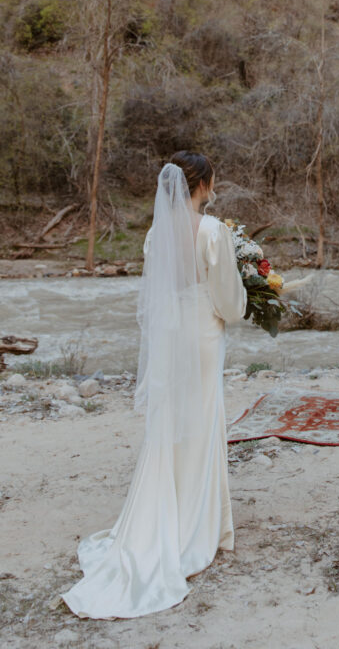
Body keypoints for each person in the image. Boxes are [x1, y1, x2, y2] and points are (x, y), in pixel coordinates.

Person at [63, 152, 247, 618]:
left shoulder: (155, 235)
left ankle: (162, 517)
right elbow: (228, 301)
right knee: (204, 423)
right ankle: (202, 529)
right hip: (203, 335)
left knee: (171, 426)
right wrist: (247, 301)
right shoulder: (213, 231)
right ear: (202, 184)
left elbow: (157, 291)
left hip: (170, 337)